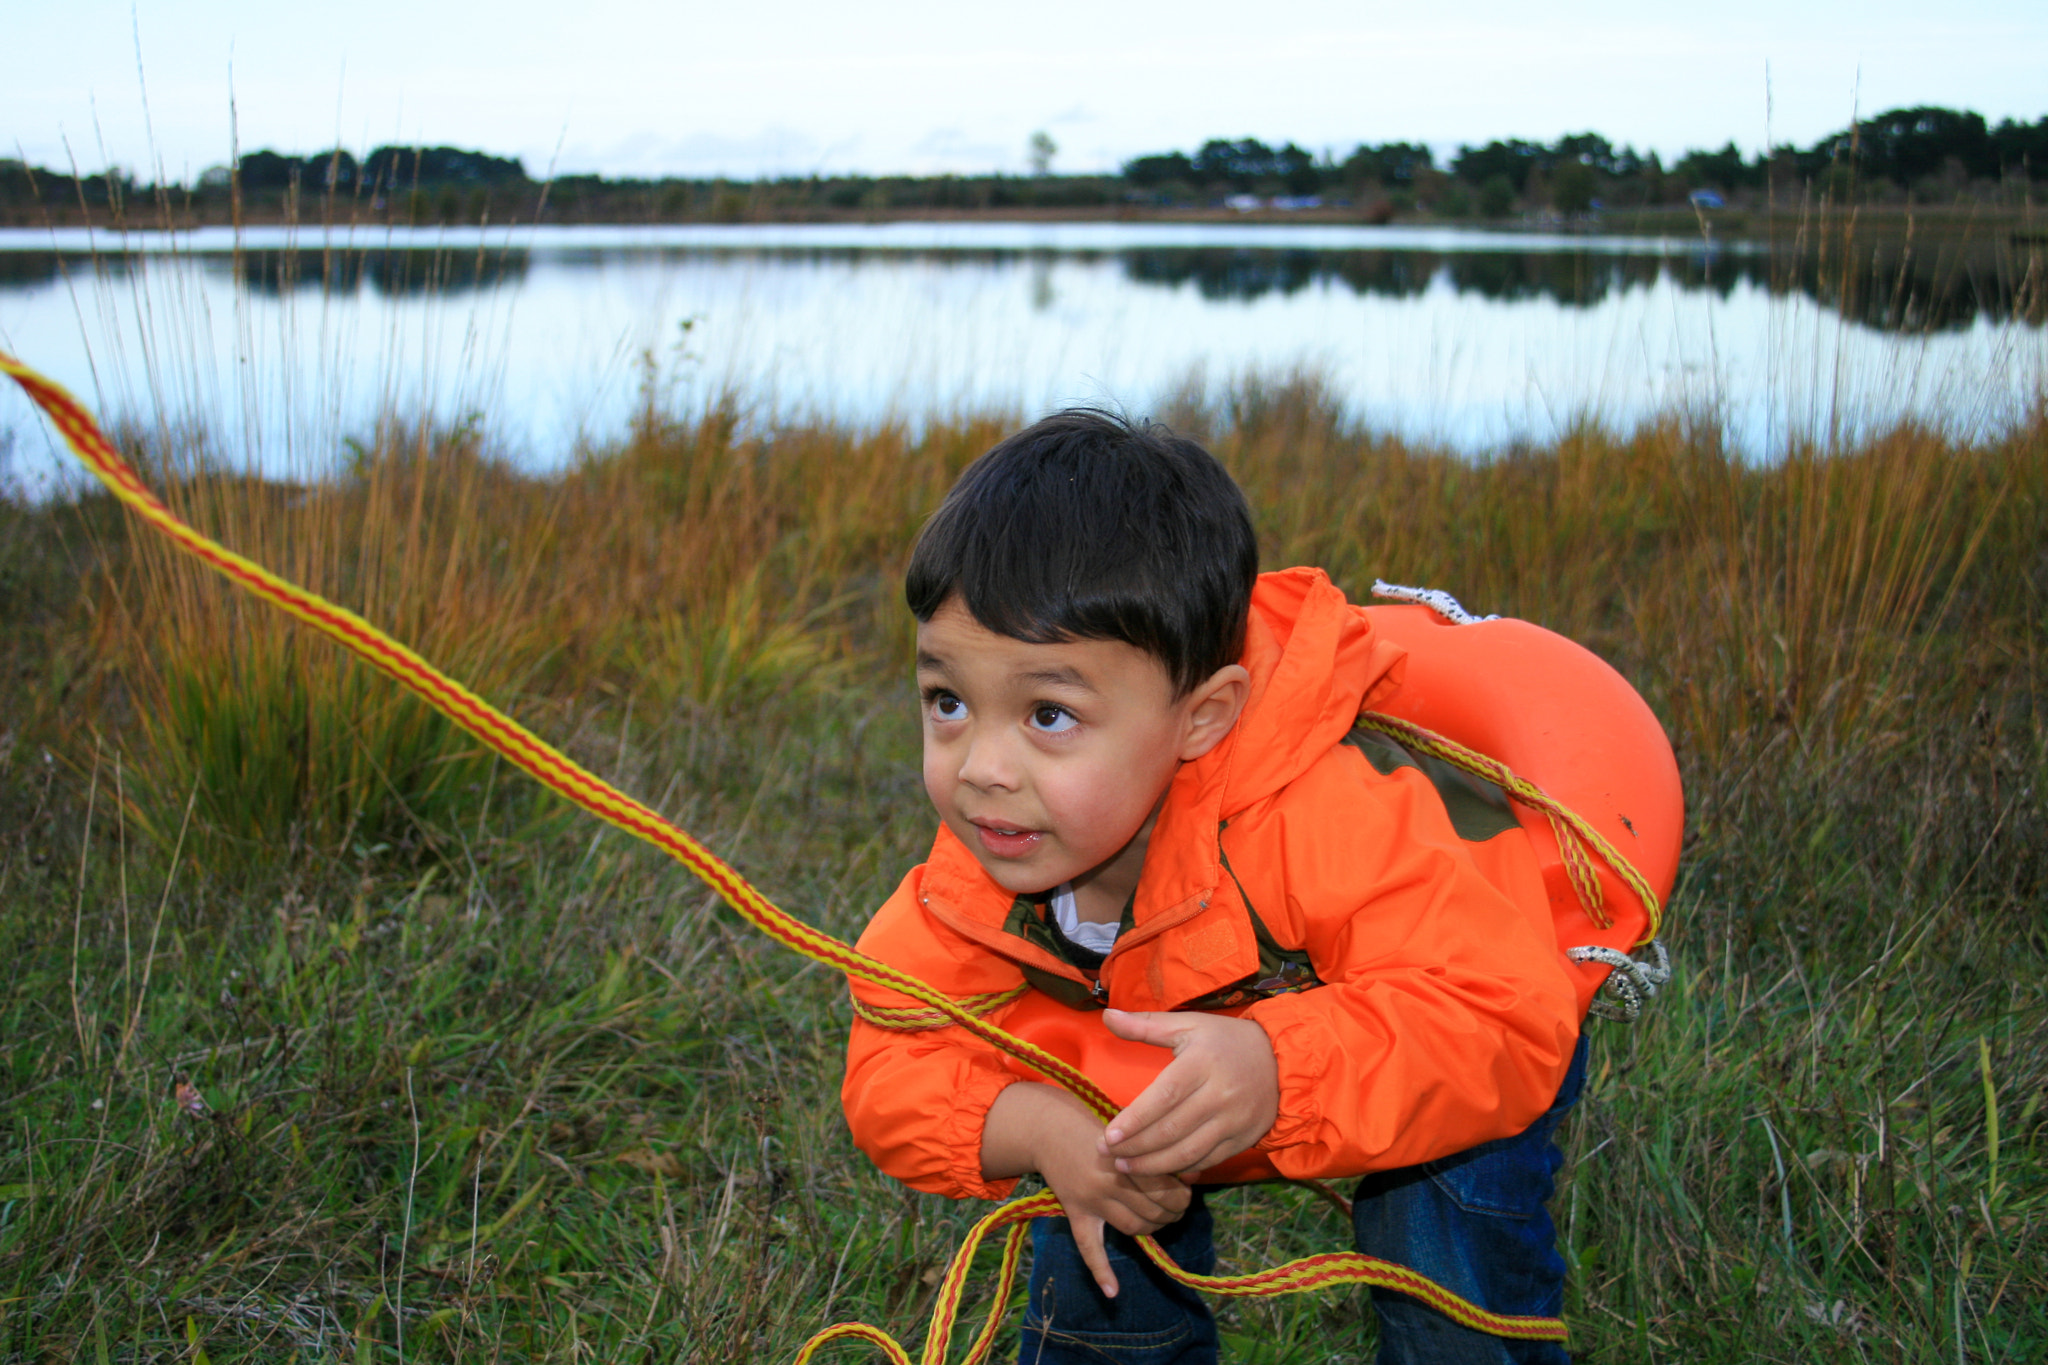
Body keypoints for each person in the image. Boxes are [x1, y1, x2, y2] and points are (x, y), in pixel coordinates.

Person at [841, 409, 1587, 1365]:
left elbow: (1501, 1013)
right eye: (949, 701)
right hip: (1174, 1080)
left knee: (1441, 1245)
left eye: (1049, 712)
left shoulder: (1310, 822)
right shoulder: (973, 887)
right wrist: (1033, 1130)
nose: (983, 765)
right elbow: (888, 1065)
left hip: (1437, 1036)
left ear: (1204, 717)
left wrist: (1279, 1069)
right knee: (1090, 1188)